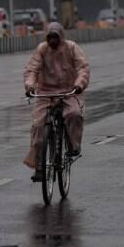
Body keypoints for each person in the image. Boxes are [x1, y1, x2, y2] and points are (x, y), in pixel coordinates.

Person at [23, 23, 90, 181]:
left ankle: (74, 145)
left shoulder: (71, 48)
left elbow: (83, 68)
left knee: (73, 114)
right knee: (38, 128)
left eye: (56, 37)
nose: (53, 41)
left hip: (69, 91)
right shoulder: (42, 49)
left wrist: (79, 84)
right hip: (46, 93)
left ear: (61, 37)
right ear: (46, 37)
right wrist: (30, 86)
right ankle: (40, 168)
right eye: (50, 37)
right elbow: (32, 70)